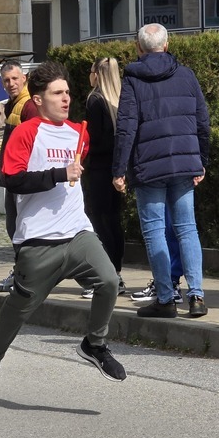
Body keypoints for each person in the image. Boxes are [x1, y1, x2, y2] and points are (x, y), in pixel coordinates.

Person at [0, 61, 126, 398]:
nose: (66, 98)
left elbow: (78, 170)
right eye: (58, 93)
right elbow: (11, 180)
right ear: (39, 99)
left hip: (76, 233)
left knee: (110, 281)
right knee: (17, 313)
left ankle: (95, 344)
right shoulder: (25, 132)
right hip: (38, 241)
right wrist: (58, 173)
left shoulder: (78, 133)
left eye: (68, 92)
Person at [112, 23, 210, 318]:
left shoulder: (132, 79)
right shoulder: (186, 74)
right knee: (187, 228)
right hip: (184, 163)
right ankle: (197, 296)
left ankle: (166, 299)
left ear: (138, 48)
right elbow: (202, 121)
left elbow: (126, 127)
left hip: (149, 165)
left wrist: (119, 169)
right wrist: (201, 159)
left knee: (155, 230)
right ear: (167, 45)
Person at [0, 59, 39, 292]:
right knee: (15, 227)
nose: (11, 83)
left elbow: (33, 143)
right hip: (14, 176)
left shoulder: (28, 106)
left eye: (14, 79)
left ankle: (24, 275)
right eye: (6, 80)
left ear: (24, 79)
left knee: (20, 228)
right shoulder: (13, 104)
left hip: (22, 178)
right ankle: (23, 272)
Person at [82, 56, 127, 299]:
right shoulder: (118, 100)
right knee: (113, 220)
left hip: (98, 169)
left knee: (98, 222)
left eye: (91, 71)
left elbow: (95, 139)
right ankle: (116, 273)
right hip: (116, 169)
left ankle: (107, 276)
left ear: (97, 74)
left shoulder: (95, 100)